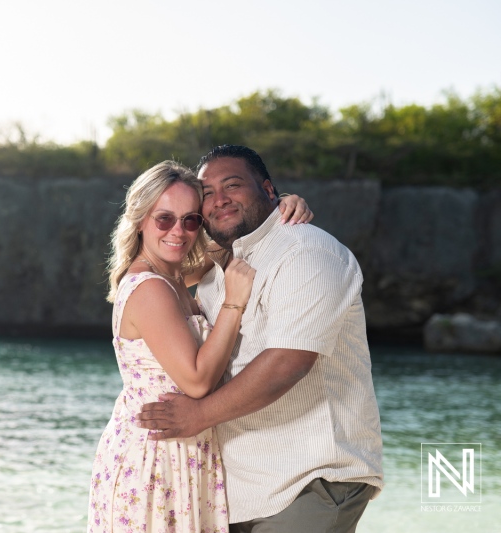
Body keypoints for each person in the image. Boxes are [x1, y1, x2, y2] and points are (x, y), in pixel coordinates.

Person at [136, 145, 384, 533]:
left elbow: (288, 361)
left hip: (309, 479)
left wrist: (198, 415)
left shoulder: (307, 251)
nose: (219, 200)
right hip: (234, 488)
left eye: (233, 185)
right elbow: (154, 268)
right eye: (207, 193)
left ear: (269, 190)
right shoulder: (216, 271)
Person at [87, 160, 312, 532]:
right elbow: (196, 381)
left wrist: (283, 204)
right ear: (140, 219)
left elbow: (233, 237)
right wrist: (233, 304)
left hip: (183, 452)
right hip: (156, 459)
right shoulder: (150, 288)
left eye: (190, 219)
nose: (179, 231)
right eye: (164, 219)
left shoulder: (172, 274)